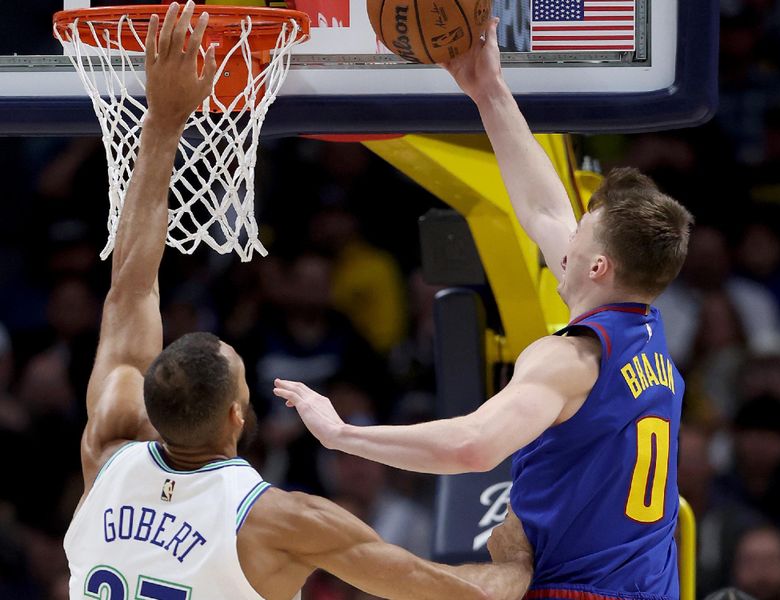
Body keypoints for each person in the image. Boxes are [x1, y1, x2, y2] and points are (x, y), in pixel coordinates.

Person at [64, 4, 534, 600]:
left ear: (149, 408)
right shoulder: (279, 522)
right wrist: (520, 567)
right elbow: (438, 587)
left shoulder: (107, 454)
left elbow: (130, 285)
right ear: (238, 416)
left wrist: (162, 118)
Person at [274, 17, 695, 600]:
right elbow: (545, 210)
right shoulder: (646, 330)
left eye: (581, 238)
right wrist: (487, 89)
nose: (564, 240)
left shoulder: (569, 359)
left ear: (597, 268)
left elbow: (472, 447)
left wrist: (345, 435)